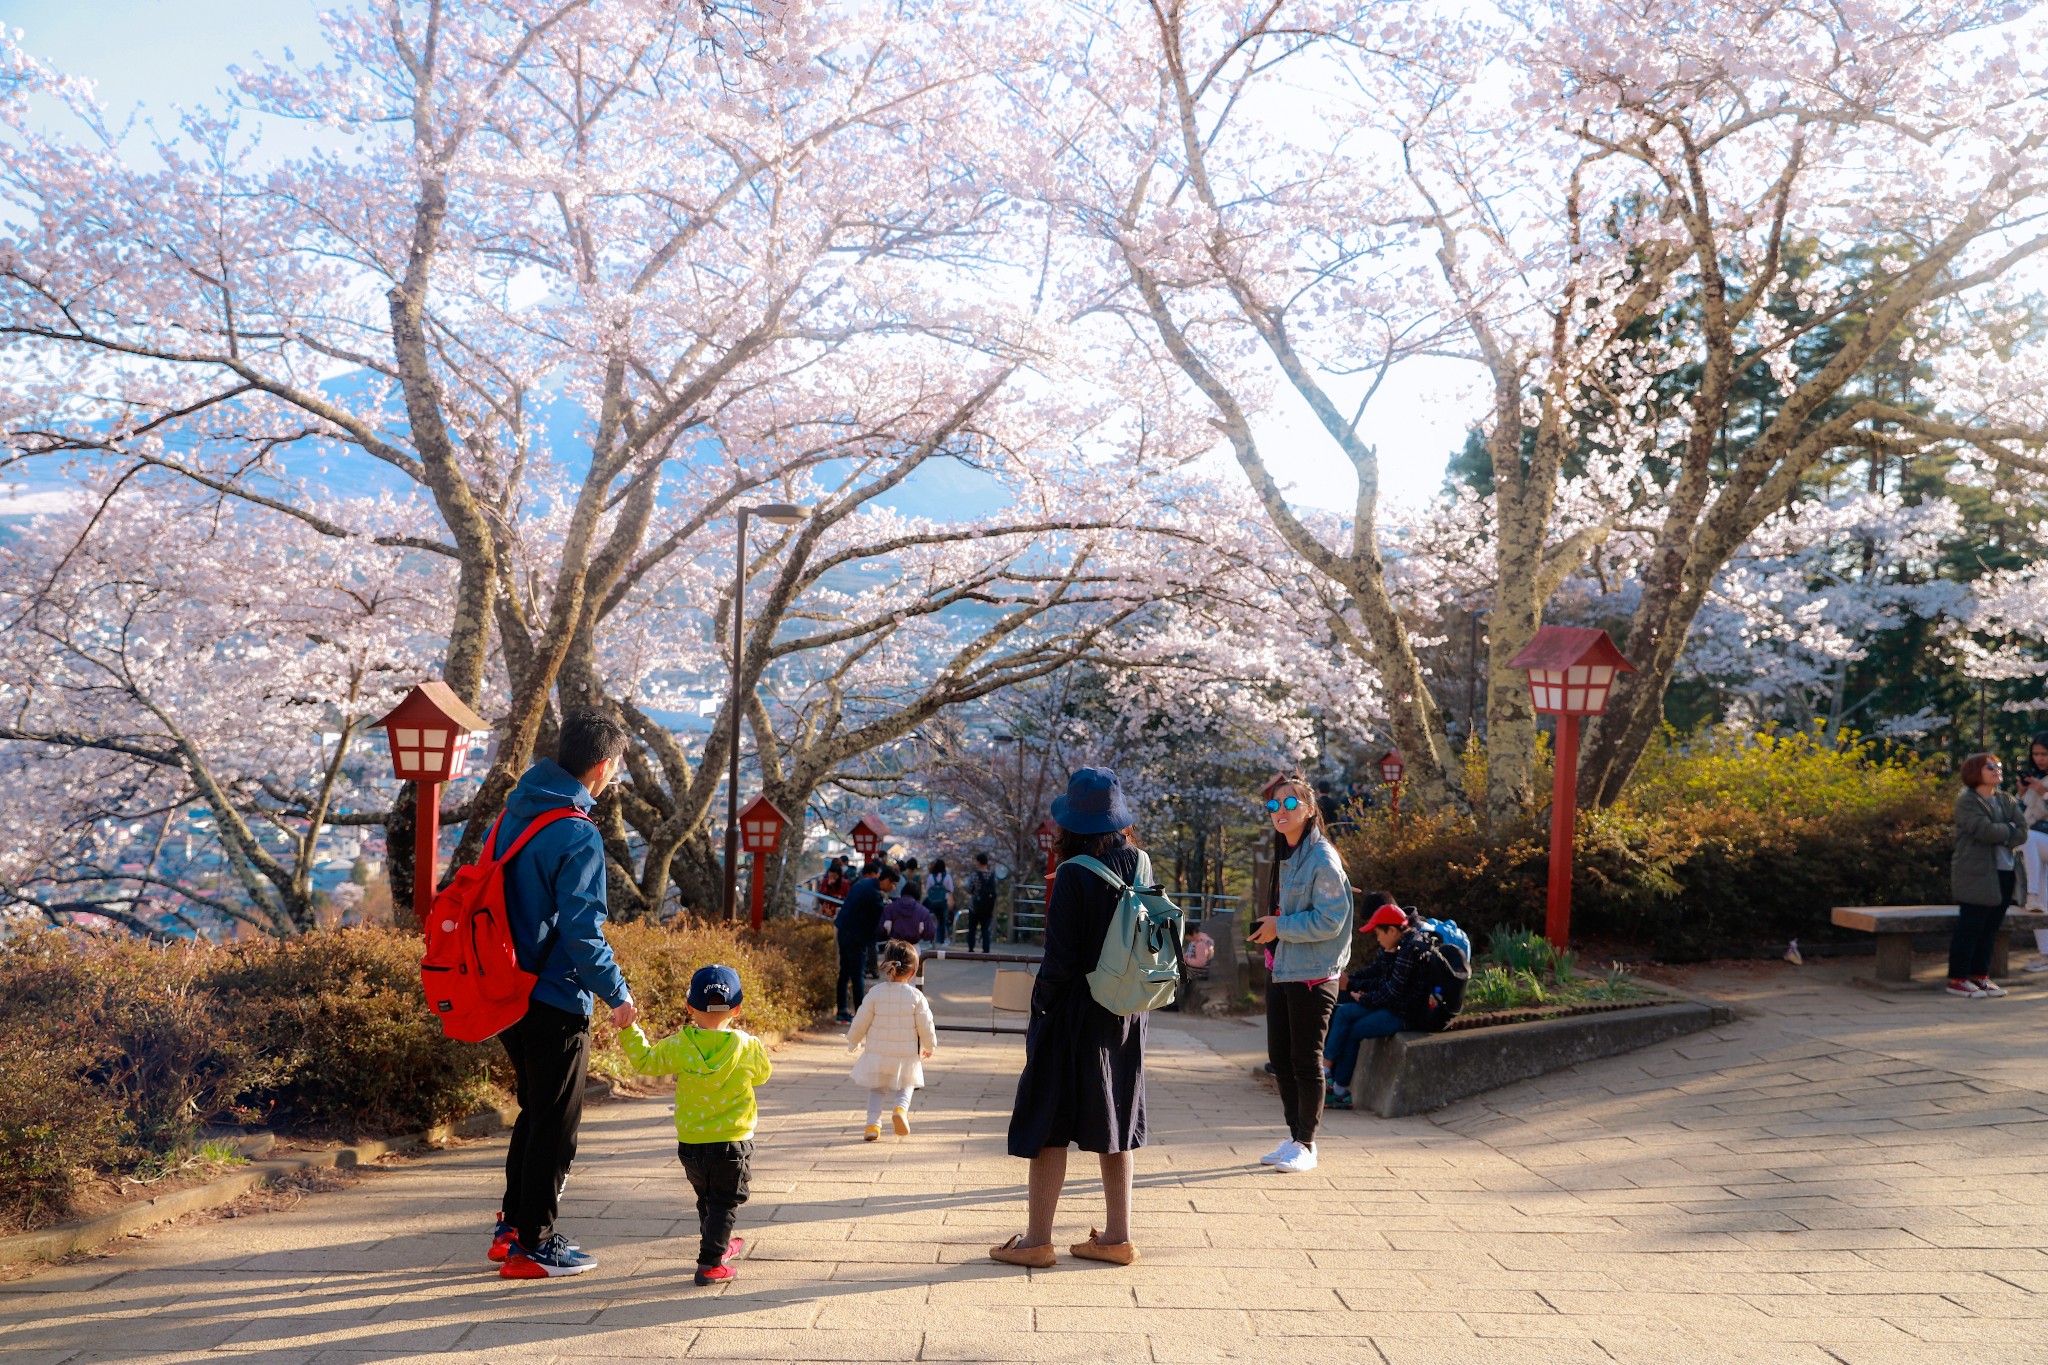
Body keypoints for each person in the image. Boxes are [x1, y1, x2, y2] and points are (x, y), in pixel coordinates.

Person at [489, 708, 638, 1280]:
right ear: (602, 766)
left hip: (506, 991)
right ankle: (535, 1242)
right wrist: (617, 994)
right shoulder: (577, 832)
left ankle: (511, 1229)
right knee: (556, 1124)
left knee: (534, 1113)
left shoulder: (513, 815)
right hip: (554, 997)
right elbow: (583, 931)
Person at [994, 767, 1146, 1270]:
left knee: (1050, 1119)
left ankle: (1038, 1240)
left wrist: (1038, 1005)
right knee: (1115, 1114)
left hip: (1072, 1013)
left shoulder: (1076, 872)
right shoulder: (1141, 863)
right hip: (1125, 1011)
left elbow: (1059, 960)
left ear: (1070, 824)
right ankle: (1117, 1236)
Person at [617, 964, 772, 1286]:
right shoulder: (748, 1046)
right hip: (732, 1142)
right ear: (738, 1008)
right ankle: (711, 1262)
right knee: (724, 1201)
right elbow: (762, 1076)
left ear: (689, 1007)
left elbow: (645, 1061)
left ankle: (718, 1242)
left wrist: (630, 1029)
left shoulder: (680, 1045)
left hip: (691, 1143)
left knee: (707, 1198)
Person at [1248, 773, 1352, 1174]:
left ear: (1309, 810)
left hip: (1313, 972)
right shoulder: (1289, 855)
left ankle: (1307, 1143)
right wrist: (1272, 929)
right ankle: (1294, 1137)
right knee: (1281, 1058)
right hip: (1285, 968)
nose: (1280, 811)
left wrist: (1280, 927)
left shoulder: (1322, 858)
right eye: (1274, 805)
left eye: (1290, 803)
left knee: (1306, 1061)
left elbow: (1331, 920)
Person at [1323, 904, 1434, 1110]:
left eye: (1378, 933)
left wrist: (1359, 995)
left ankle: (1328, 1075)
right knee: (1347, 1018)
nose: (1377, 939)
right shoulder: (1399, 945)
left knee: (1350, 1021)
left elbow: (1391, 991)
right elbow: (1379, 972)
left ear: (1392, 930)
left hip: (1403, 1014)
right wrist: (1352, 982)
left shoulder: (1411, 949)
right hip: (1392, 1006)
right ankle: (1337, 1088)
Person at [1952, 753, 2028, 998]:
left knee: (1991, 927)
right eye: (1991, 766)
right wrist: (2008, 829)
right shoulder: (1967, 801)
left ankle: (1980, 976)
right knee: (1971, 925)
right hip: (1976, 871)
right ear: (1976, 771)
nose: (1997, 770)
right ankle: (1957, 978)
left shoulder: (2006, 799)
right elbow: (1983, 831)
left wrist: (2005, 831)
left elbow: (2023, 831)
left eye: (1999, 766)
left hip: (2005, 870)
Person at [846, 941, 938, 1141]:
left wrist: (853, 1041)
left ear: (888, 967)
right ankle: (900, 1109)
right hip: (905, 1056)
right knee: (907, 1084)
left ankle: (872, 1125)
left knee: (877, 1090)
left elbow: (861, 1019)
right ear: (913, 972)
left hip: (878, 1053)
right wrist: (929, 1046)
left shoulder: (875, 993)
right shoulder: (916, 996)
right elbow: (926, 1024)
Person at [835, 863, 897, 1022]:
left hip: (843, 931)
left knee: (844, 973)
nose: (894, 887)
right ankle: (861, 1014)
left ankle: (842, 1010)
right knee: (857, 975)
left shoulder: (863, 883)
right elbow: (877, 922)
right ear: (887, 880)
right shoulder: (874, 895)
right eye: (893, 883)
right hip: (856, 937)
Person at [965, 851, 998, 953]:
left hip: (975, 906)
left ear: (978, 862)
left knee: (972, 928)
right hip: (988, 907)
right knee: (985, 929)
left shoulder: (974, 875)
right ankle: (986, 950)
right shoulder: (993, 876)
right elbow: (995, 890)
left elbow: (969, 888)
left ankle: (971, 949)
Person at [925, 857, 954, 944]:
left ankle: (932, 939)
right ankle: (941, 940)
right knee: (942, 921)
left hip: (932, 902)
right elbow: (951, 889)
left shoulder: (931, 877)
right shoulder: (947, 876)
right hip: (943, 902)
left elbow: (927, 889)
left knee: (932, 919)